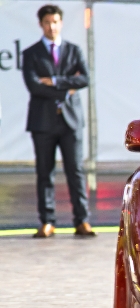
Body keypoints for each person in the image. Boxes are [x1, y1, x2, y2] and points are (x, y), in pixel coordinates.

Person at [22, 4, 94, 238]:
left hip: (71, 121)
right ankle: (47, 221)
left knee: (76, 171)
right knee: (45, 172)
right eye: (47, 22)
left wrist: (54, 81)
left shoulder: (74, 50)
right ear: (40, 24)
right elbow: (34, 86)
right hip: (42, 122)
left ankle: (82, 220)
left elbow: (85, 79)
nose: (51, 27)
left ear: (60, 23)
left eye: (55, 22)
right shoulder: (31, 53)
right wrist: (67, 88)